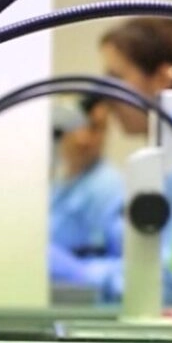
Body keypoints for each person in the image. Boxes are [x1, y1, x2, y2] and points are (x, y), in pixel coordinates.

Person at [54, 17, 172, 305]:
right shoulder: (154, 165)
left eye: (117, 79)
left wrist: (84, 273)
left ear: (162, 79)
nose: (106, 98)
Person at [47, 96, 124, 273]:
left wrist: (80, 271)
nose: (83, 138)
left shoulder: (110, 189)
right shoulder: (60, 184)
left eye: (95, 128)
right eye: (77, 125)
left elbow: (126, 263)